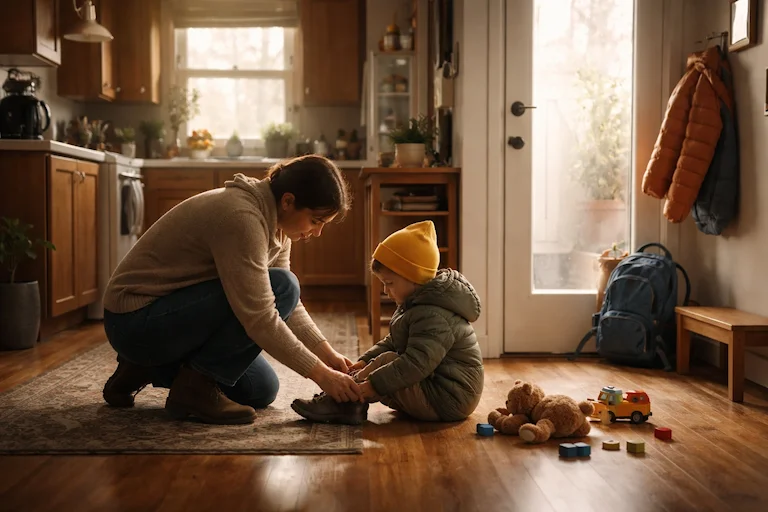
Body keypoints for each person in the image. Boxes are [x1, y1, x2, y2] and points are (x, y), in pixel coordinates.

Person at [101, 155, 363, 425]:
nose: (317, 232)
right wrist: (322, 376)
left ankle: (143, 367)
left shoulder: (278, 222)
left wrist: (327, 354)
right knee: (284, 284)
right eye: (316, 220)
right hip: (134, 320)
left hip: (170, 315)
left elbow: (289, 305)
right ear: (288, 201)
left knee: (260, 389)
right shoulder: (242, 218)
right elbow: (261, 316)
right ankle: (191, 388)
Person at [291, 221, 484, 425]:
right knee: (384, 360)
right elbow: (394, 341)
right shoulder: (418, 303)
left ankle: (343, 400)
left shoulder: (435, 315)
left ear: (414, 277)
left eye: (389, 283)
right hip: (436, 389)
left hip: (447, 399)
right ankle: (349, 401)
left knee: (387, 362)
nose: (385, 291)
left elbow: (416, 364)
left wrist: (372, 385)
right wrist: (364, 363)